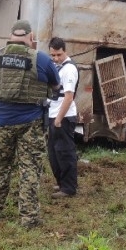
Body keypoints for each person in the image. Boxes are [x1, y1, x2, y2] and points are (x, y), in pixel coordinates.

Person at [0, 20, 59, 226]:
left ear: (11, 36)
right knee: (30, 168)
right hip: (31, 123)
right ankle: (29, 217)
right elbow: (56, 86)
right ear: (31, 38)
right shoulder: (41, 59)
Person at [47, 37, 79, 199]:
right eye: (52, 55)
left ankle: (68, 187)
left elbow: (68, 97)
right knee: (54, 153)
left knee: (65, 152)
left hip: (64, 116)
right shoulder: (56, 66)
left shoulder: (69, 69)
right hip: (53, 114)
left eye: (58, 55)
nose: (55, 58)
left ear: (64, 51)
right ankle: (62, 183)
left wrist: (59, 119)